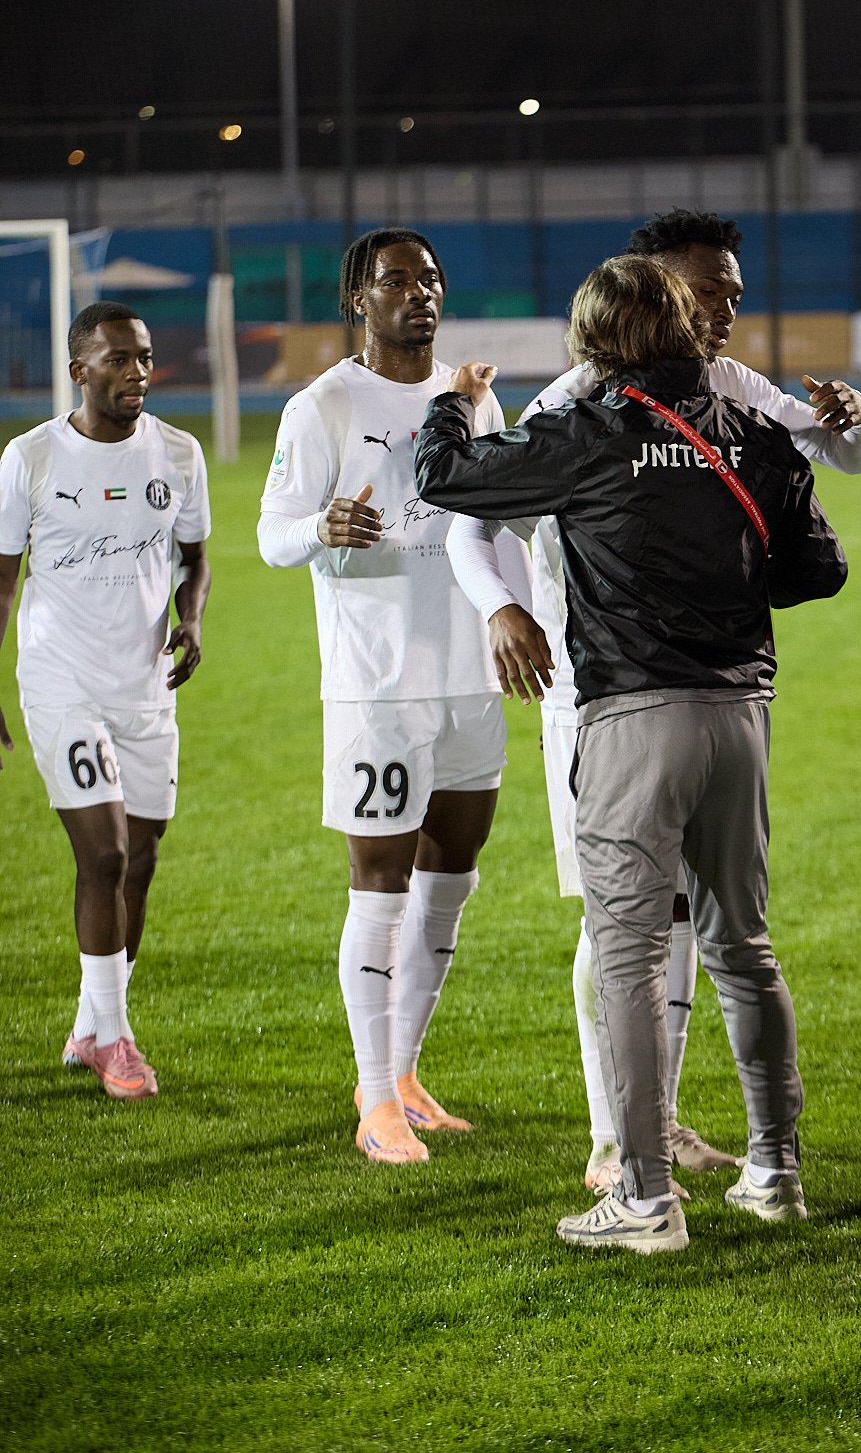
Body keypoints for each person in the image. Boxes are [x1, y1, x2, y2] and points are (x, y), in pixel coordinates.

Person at [416, 254, 848, 1252]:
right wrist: (723, 585)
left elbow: (445, 480)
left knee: (629, 955)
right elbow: (818, 570)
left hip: (631, 717)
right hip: (740, 715)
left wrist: (453, 402)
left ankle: (645, 1199)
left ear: (594, 340)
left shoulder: (589, 429)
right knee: (744, 948)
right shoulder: (750, 429)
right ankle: (775, 1173)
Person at [257, 228, 530, 1164]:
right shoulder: (322, 406)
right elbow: (272, 533)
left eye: (432, 278)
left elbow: (498, 525)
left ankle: (405, 1073)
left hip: (471, 674)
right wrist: (321, 527)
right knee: (379, 883)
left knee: (452, 873)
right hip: (376, 684)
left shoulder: (473, 398)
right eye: (397, 280)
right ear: (357, 299)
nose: (421, 293)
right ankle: (374, 1100)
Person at [0, 301, 211, 1100]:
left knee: (140, 862)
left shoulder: (179, 454)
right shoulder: (30, 459)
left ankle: (92, 1024)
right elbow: (2, 579)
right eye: (118, 359)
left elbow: (196, 560)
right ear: (78, 370)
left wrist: (191, 619)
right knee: (106, 854)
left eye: (145, 357)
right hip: (62, 682)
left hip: (146, 688)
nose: (138, 372)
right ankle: (118, 1042)